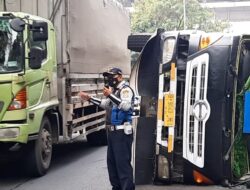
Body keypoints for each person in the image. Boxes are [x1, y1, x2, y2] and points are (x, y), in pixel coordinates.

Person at [79, 67, 135, 190]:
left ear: (119, 76)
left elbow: (126, 106)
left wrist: (110, 95)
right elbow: (105, 104)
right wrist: (89, 98)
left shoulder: (125, 90)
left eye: (112, 76)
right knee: (112, 164)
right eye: (108, 77)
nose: (110, 79)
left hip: (122, 132)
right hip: (112, 132)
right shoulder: (114, 91)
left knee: (122, 164)